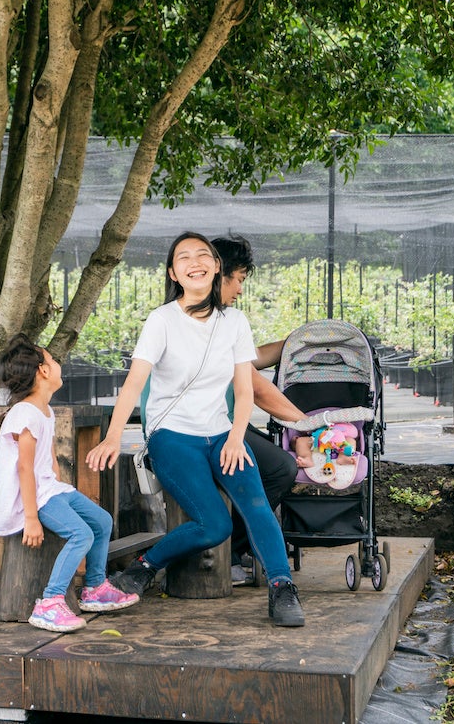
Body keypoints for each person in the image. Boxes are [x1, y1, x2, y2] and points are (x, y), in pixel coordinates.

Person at [83, 231, 304, 628]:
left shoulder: (235, 321)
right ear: (174, 272)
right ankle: (145, 566)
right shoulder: (161, 320)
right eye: (184, 257)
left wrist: (237, 436)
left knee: (257, 506)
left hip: (221, 432)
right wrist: (114, 435)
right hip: (173, 436)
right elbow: (134, 383)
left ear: (216, 267)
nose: (195, 261)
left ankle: (282, 586)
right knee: (214, 524)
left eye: (203, 254)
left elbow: (243, 386)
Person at [0, 333, 141, 632]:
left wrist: (59, 483)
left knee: (102, 521)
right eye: (53, 361)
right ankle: (50, 603)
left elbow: (47, 460)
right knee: (81, 534)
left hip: (51, 489)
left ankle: (94, 588)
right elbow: (24, 468)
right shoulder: (24, 413)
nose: (58, 365)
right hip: (36, 497)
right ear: (42, 371)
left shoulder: (45, 410)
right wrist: (31, 519)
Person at [211, 233, 309, 584]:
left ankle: (238, 547)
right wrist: (306, 423)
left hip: (225, 421)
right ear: (216, 273)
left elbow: (250, 361)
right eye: (236, 280)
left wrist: (295, 342)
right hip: (203, 428)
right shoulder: (209, 322)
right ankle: (232, 549)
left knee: (275, 462)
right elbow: (255, 386)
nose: (239, 289)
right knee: (280, 468)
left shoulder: (224, 320)